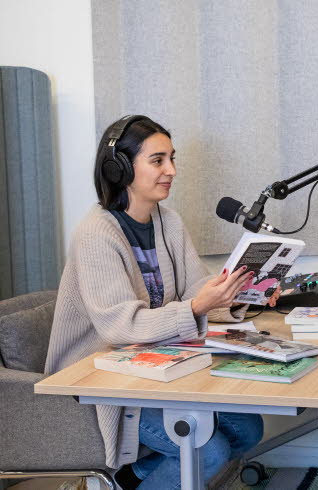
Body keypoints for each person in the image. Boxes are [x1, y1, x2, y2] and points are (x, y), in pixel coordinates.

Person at [45, 115, 265, 490]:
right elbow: (120, 327)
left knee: (249, 428)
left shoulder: (167, 220)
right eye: (158, 160)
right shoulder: (95, 234)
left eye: (172, 159)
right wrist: (195, 308)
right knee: (208, 450)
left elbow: (197, 285)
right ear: (119, 168)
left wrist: (241, 294)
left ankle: (130, 480)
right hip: (102, 377)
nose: (171, 171)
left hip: (157, 363)